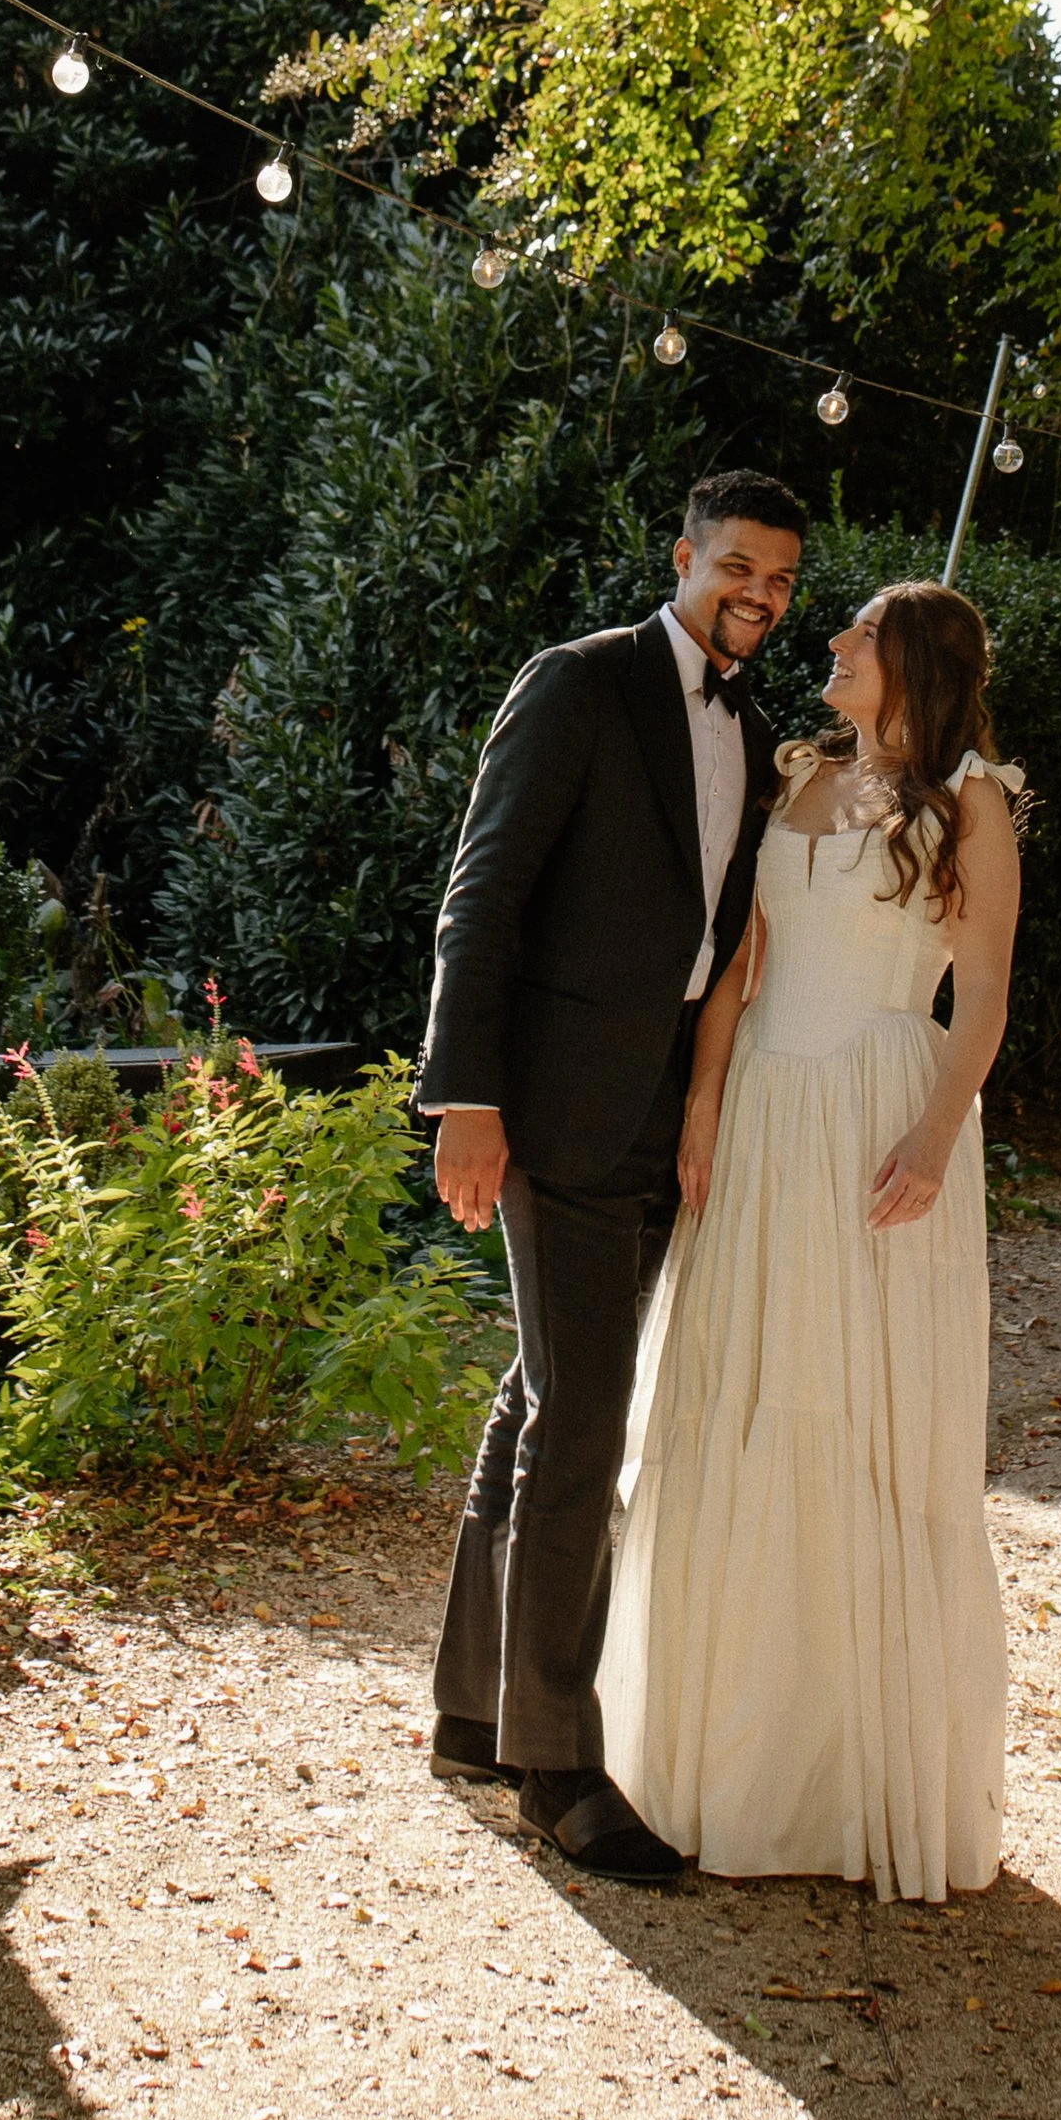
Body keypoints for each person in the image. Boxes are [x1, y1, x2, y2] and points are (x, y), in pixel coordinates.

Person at [599, 579, 1020, 1902]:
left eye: (859, 635)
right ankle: (737, 1758)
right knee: (745, 1397)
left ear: (916, 665)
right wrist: (708, 1099)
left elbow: (989, 989)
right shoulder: (801, 775)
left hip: (877, 1114)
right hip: (771, 1113)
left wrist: (938, 1135)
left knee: (860, 1419)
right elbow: (742, 961)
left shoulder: (973, 802)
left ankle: (854, 1776)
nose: (830, 645)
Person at [416, 469, 807, 1885]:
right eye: (740, 565)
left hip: (659, 1115)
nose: (759, 593)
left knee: (543, 1390)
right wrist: (466, 1096)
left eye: (781, 579)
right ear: (685, 553)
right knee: (585, 1408)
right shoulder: (577, 682)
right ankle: (557, 1761)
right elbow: (485, 891)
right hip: (547, 1109)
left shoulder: (756, 738)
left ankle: (473, 1707)